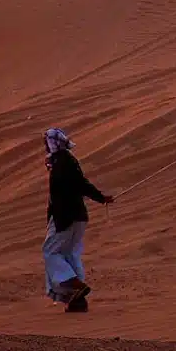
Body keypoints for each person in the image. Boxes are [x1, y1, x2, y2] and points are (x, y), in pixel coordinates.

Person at [42, 127, 113, 312]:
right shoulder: (67, 160)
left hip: (66, 216)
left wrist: (99, 197)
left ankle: (75, 286)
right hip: (77, 215)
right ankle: (77, 301)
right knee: (70, 254)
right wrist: (100, 197)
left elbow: (77, 185)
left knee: (51, 252)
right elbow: (80, 184)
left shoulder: (62, 162)